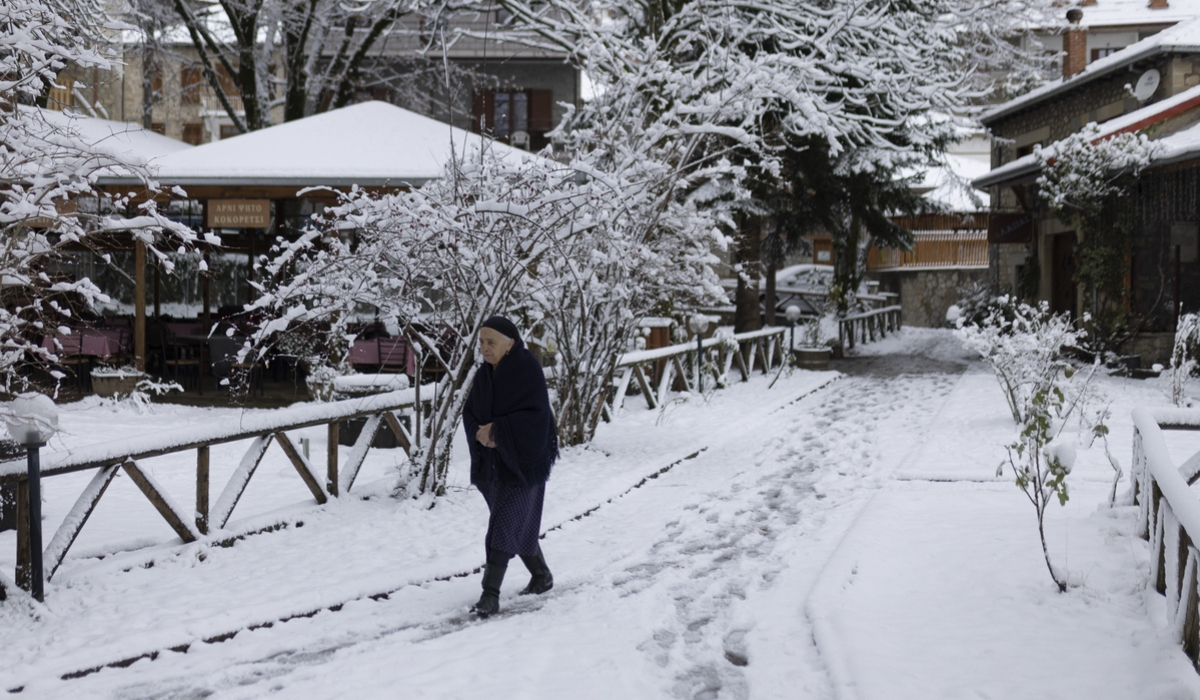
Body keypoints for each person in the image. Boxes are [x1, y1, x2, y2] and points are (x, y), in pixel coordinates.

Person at [462, 316, 558, 617]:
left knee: (504, 525)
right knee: (517, 523)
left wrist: (500, 432)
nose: (485, 348)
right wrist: (482, 432)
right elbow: (471, 411)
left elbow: (536, 416)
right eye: (481, 342)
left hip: (523, 463)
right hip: (493, 465)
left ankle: (489, 595)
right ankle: (542, 576)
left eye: (491, 342)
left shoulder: (526, 370)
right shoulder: (484, 374)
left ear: (510, 343)